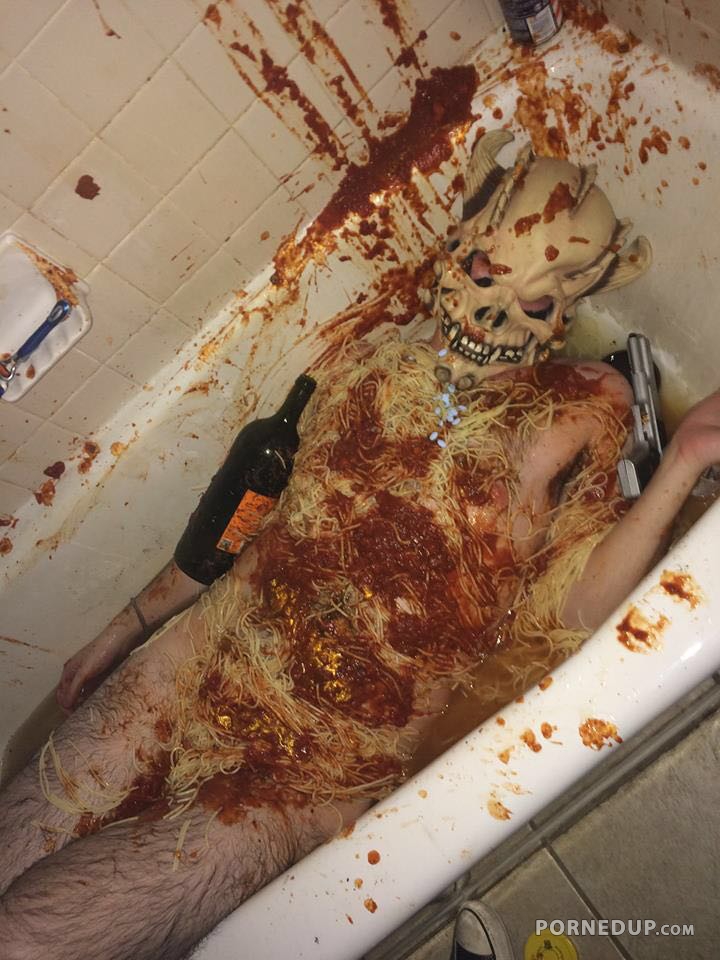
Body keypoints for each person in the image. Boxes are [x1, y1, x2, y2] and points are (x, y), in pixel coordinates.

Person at [1, 135, 718, 960]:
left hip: (321, 768)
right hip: (204, 652)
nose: (493, 316)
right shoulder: (372, 353)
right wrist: (128, 624)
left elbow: (579, 610)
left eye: (533, 302)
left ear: (570, 307)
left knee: (22, 938)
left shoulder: (581, 409)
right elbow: (250, 516)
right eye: (485, 274)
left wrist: (684, 461)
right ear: (457, 247)